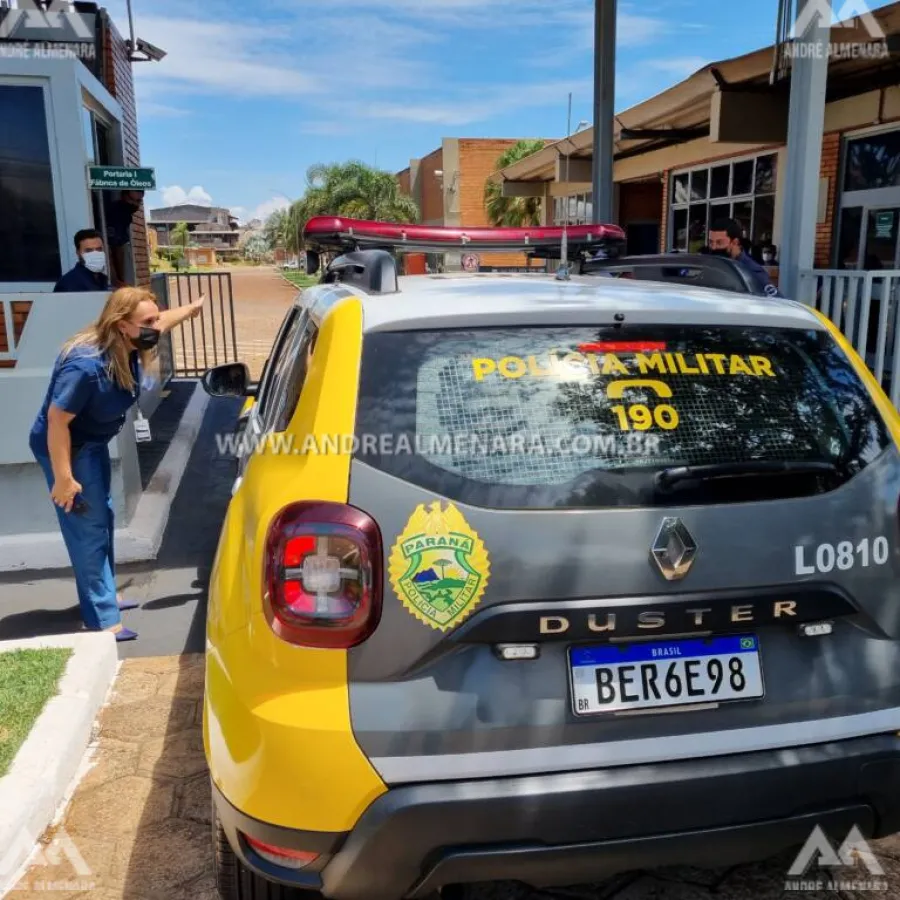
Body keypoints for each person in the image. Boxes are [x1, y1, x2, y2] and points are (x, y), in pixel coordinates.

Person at [29, 287, 204, 642]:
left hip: (90, 444)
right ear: (123, 325)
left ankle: (105, 596)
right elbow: (56, 421)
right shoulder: (87, 364)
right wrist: (63, 478)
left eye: (156, 317)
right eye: (147, 321)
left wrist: (191, 310)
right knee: (87, 528)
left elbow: (163, 321)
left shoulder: (130, 340)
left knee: (103, 518)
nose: (156, 326)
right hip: (67, 448)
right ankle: (103, 619)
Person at [707, 218, 782, 297]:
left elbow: (776, 300)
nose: (714, 247)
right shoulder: (708, 265)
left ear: (735, 242)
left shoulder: (751, 271)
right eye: (711, 242)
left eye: (719, 242)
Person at [105, 190, 144, 287]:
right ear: (124, 196)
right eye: (133, 200)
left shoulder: (126, 213)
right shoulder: (117, 212)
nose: (136, 204)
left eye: (139, 201)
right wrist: (117, 279)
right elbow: (114, 247)